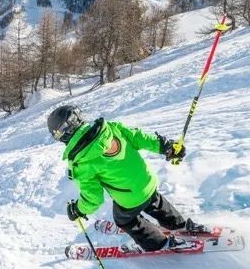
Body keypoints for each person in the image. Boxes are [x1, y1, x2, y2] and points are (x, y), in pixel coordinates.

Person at [47, 105, 206, 252]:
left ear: (63, 134)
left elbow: (93, 198)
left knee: (125, 220)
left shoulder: (81, 162)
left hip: (130, 198)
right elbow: (139, 137)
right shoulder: (110, 128)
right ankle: (178, 225)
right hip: (147, 181)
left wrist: (78, 209)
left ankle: (159, 243)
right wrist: (165, 146)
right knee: (153, 200)